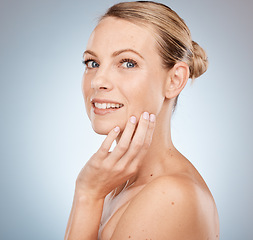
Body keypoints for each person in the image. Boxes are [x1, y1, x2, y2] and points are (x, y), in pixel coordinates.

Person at [65, 1, 219, 239]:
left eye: (128, 63)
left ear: (174, 80)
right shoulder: (113, 184)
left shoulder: (171, 195)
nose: (97, 81)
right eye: (92, 63)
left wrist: (87, 195)